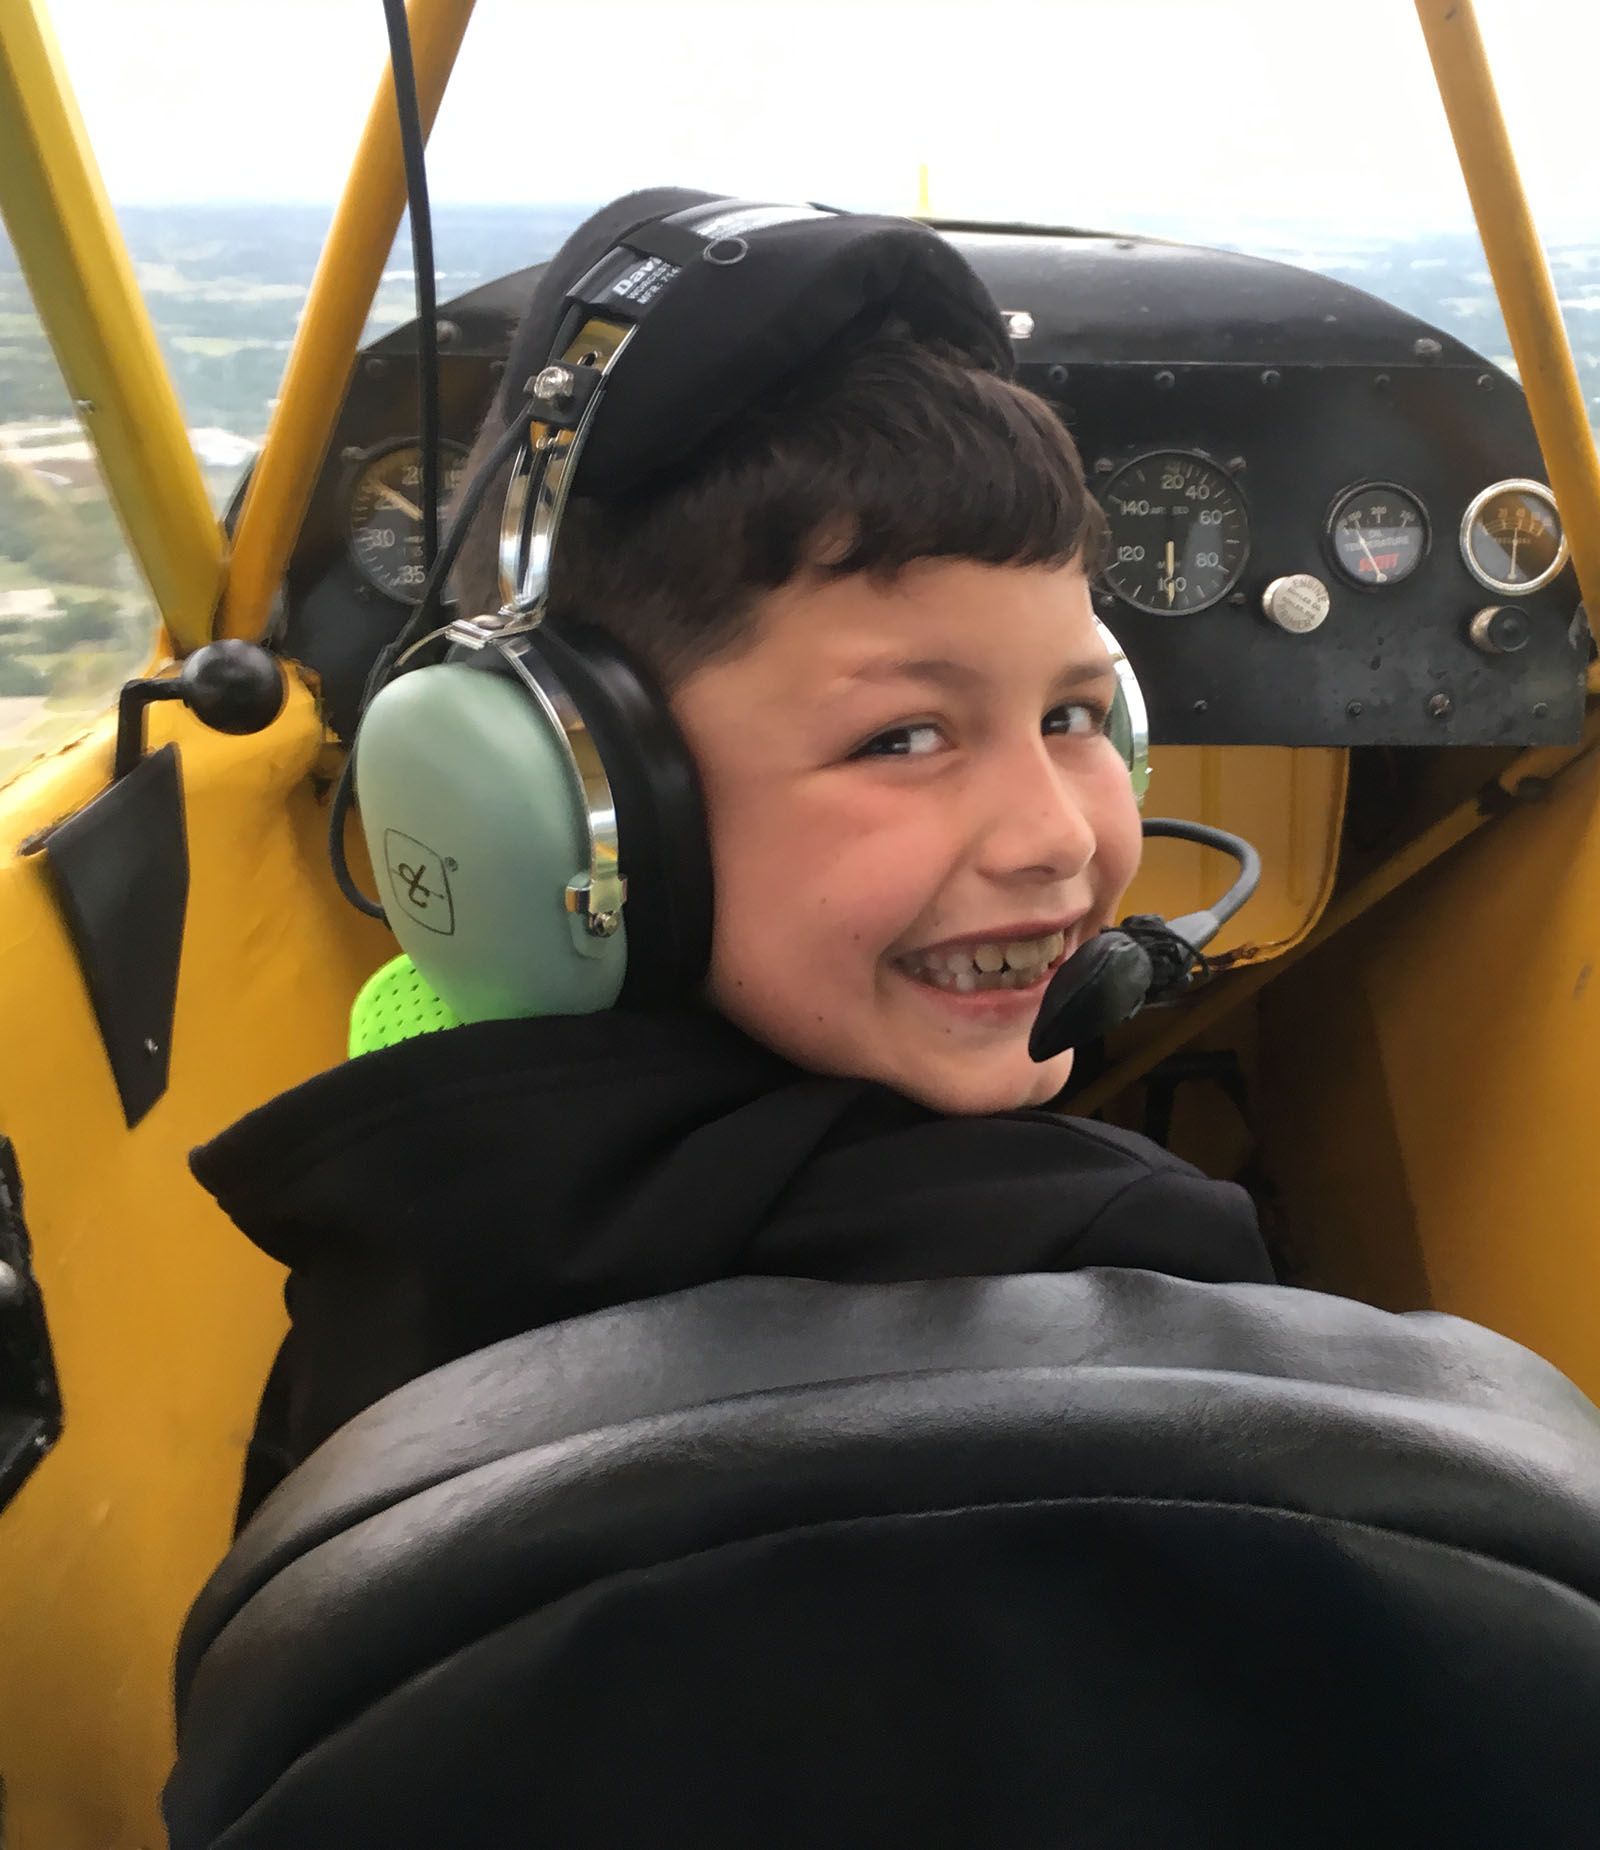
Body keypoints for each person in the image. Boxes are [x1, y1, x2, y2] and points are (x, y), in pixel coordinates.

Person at [192, 192, 1274, 1531]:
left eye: (1073, 717)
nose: (1057, 833)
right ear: (566, 795)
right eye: (904, 735)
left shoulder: (385, 1194)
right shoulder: (1127, 1256)